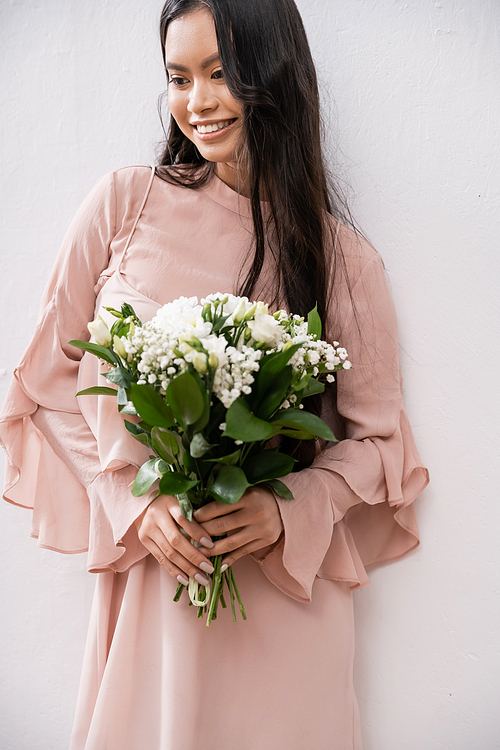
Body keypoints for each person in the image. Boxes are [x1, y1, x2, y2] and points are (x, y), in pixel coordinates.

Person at [0, 0, 429, 748]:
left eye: (220, 73)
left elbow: (383, 446)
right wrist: (130, 501)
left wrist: (288, 508)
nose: (197, 102)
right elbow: (46, 381)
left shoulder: (342, 259)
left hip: (282, 602)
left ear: (275, 75)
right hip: (156, 581)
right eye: (178, 77)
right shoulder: (123, 205)